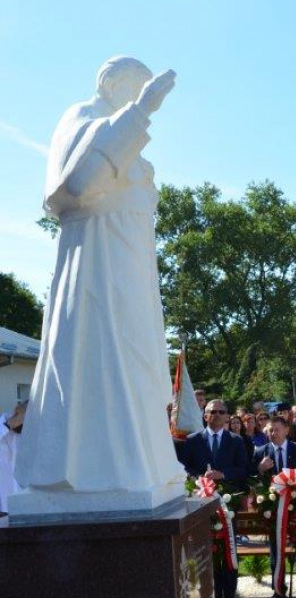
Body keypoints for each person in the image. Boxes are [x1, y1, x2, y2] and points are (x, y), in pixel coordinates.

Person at [14, 56, 186, 508]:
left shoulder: (120, 133)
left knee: (137, 356)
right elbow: (80, 183)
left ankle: (143, 464)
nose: (140, 95)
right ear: (111, 83)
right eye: (135, 87)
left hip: (131, 261)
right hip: (96, 256)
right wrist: (140, 112)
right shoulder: (81, 117)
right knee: (100, 352)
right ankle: (100, 473)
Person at [181, 400, 249, 598]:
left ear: (227, 416)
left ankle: (229, 594)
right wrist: (200, 478)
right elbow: (184, 468)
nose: (217, 415)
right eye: (213, 411)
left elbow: (244, 469)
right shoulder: (193, 440)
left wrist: (223, 474)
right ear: (205, 416)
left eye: (221, 412)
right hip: (201, 502)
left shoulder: (236, 440)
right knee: (205, 549)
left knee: (228, 548)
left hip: (228, 503)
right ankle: (210, 594)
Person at [253, 414, 296, 598]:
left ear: (287, 430)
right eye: (270, 430)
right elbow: (252, 480)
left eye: (277, 430)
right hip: (273, 509)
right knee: (275, 550)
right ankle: (278, 590)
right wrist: (260, 469)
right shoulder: (261, 452)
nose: (273, 433)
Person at [0, 402, 25, 514]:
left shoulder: (27, 433)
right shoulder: (3, 427)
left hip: (24, 507)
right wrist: (8, 425)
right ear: (17, 410)